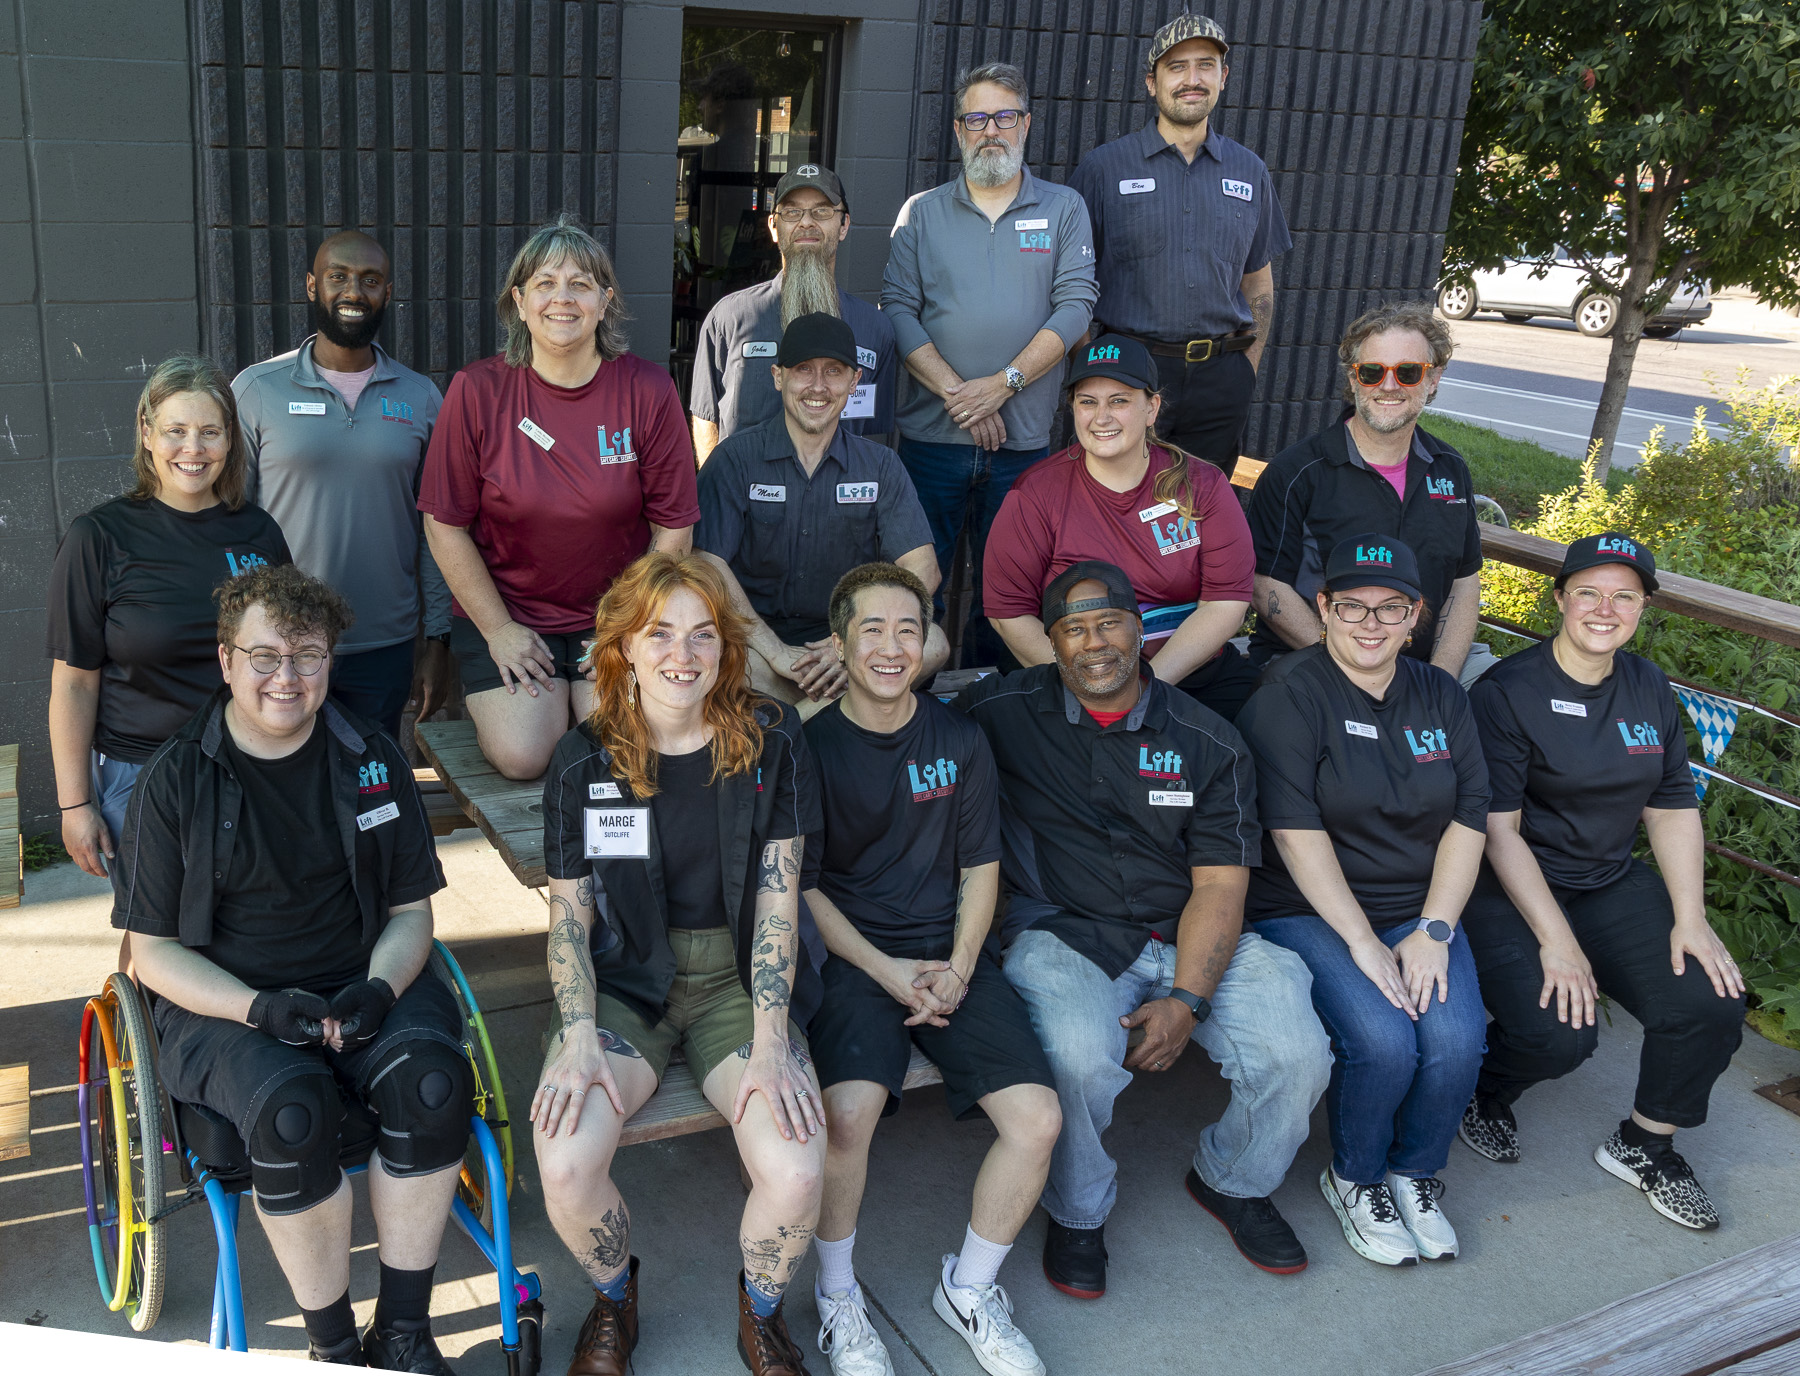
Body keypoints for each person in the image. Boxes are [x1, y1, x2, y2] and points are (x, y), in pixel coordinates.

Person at [114, 563, 469, 1370]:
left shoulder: (372, 756)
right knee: (292, 1113)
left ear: (330, 664)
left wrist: (380, 988)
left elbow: (412, 912)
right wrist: (257, 1011)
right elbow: (152, 951)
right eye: (266, 656)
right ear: (227, 659)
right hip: (227, 1008)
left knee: (434, 1085)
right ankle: (335, 1348)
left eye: (308, 656)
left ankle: (405, 1335)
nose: (288, 676)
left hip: (363, 981)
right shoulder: (175, 779)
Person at [956, 561, 1330, 1298]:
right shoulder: (999, 710)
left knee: (1296, 1051)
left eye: (1109, 623)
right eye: (1073, 628)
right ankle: (1078, 1211)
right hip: (1067, 930)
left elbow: (1222, 882)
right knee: (1076, 1054)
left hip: (1189, 927)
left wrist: (1188, 998)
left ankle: (1233, 1180)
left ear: (1140, 630)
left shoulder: (1209, 741)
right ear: (1052, 642)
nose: (1093, 642)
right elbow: (896, 725)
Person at [531, 553, 826, 1376]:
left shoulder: (772, 739)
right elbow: (570, 916)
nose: (682, 654)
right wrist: (580, 1034)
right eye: (659, 633)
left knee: (799, 1168)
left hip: (739, 983)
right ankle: (612, 1297)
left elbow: (778, 897)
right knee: (565, 1156)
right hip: (625, 985)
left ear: (726, 648)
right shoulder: (582, 761)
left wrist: (773, 1037)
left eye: (702, 634)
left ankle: (760, 1313)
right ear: (622, 645)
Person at [802, 563, 1060, 1376]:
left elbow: (980, 867)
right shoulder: (809, 749)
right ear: (840, 643)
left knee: (1037, 1119)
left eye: (906, 629)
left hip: (950, 956)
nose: (890, 646)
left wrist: (957, 964)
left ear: (928, 643)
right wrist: (885, 970)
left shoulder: (957, 739)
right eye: (871, 630)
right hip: (855, 960)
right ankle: (839, 1297)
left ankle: (971, 1287)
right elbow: (803, 890)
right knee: (848, 1117)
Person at [1459, 533, 1746, 1230]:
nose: (1604, 608)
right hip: (1507, 885)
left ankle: (1645, 1142)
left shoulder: (1646, 685)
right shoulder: (1508, 692)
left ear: (1644, 607)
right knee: (1561, 1033)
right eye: (1588, 590)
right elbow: (1499, 831)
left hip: (1608, 879)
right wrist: (1558, 943)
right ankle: (1484, 1092)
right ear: (1559, 599)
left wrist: (1689, 915)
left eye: (1625, 595)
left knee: (1711, 999)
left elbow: (1672, 803)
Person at [1235, 535, 1490, 1266]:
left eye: (1391, 608)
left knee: (1452, 1042)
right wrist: (1361, 941)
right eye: (1352, 606)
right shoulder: (1290, 692)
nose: (1370, 623)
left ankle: (1413, 1173)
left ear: (1418, 616)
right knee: (1382, 1042)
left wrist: (1436, 928)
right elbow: (1294, 830)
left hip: (1419, 907)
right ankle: (1354, 1176)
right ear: (1324, 607)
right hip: (1310, 909)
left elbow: (1469, 817)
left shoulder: (1440, 694)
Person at [420, 215, 700, 780]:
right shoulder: (477, 391)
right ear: (519, 302)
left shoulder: (647, 389)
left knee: (622, 749)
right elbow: (443, 523)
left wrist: (629, 630)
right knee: (523, 756)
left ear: (605, 300)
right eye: (545, 284)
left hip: (614, 615)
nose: (562, 299)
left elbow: (675, 527)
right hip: (509, 611)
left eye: (580, 283)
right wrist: (499, 630)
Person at [881, 61, 1097, 663]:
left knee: (1009, 592)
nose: (991, 130)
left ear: (1025, 124)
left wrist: (1002, 386)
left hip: (1022, 446)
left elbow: (1076, 308)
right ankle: (912, 706)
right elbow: (897, 310)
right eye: (976, 118)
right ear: (958, 131)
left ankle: (992, 706)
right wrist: (962, 396)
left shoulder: (1063, 208)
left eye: (1004, 116)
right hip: (931, 443)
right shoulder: (921, 212)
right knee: (916, 586)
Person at [48, 355, 291, 884]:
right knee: (159, 939)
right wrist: (74, 806)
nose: (193, 449)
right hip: (142, 776)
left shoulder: (259, 532)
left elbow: (287, 663)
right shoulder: (98, 538)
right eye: (175, 430)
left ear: (230, 439)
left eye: (209, 431)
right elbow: (72, 685)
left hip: (251, 767)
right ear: (147, 433)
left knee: (247, 938)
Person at [234, 229, 452, 739]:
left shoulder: (421, 397)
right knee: (287, 796)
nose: (354, 292)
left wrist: (437, 639)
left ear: (388, 293)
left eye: (370, 280)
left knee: (373, 799)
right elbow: (230, 523)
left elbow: (438, 532)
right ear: (313, 286)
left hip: (386, 645)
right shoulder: (256, 389)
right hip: (282, 647)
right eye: (338, 277)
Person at [984, 334, 1258, 721]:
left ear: (1152, 408)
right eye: (1087, 402)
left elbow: (1225, 601)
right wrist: (1092, 692)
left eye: (1119, 400)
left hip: (1187, 675)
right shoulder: (1036, 493)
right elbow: (1007, 612)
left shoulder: (1202, 486)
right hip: (1072, 681)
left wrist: (1143, 691)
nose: (1102, 417)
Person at [1067, 12, 1290, 475]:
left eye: (1205, 65)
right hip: (1127, 374)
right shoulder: (1105, 169)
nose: (1193, 79)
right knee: (1119, 504)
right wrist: (1091, 369)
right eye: (1177, 66)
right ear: (1152, 82)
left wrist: (1245, 369)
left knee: (1201, 513)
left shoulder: (1249, 172)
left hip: (1220, 381)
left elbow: (1258, 282)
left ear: (1223, 77)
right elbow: (1070, 283)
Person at [697, 314, 946, 718]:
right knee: (716, 655)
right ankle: (834, 718)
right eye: (803, 371)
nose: (818, 386)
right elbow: (705, 562)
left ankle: (798, 723)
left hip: (845, 639)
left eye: (834, 372)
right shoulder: (735, 459)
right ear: (778, 377)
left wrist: (848, 645)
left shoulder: (880, 465)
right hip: (756, 642)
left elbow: (923, 569)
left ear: (854, 381)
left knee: (934, 643)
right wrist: (775, 650)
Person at [1246, 300, 1493, 686]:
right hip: (1313, 663)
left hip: (1423, 666)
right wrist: (1352, 671)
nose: (1389, 385)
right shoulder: (1297, 472)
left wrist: (1440, 682)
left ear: (1434, 379)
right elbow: (1264, 586)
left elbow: (1464, 581)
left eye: (1408, 372)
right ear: (1352, 378)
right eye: (1372, 372)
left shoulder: (1450, 468)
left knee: (1511, 704)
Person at [690, 165, 898, 462]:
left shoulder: (875, 328)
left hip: (834, 503)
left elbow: (874, 434)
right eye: (792, 212)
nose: (806, 223)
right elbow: (706, 416)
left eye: (822, 211)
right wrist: (715, 490)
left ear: (844, 225)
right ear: (774, 227)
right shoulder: (731, 317)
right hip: (745, 499)